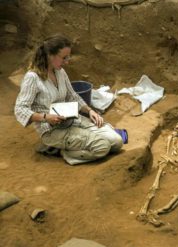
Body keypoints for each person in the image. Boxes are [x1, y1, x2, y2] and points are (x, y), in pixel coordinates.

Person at [14, 34, 123, 165]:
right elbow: (20, 109)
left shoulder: (60, 72)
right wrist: (46, 117)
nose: (67, 61)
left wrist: (90, 111)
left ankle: (72, 144)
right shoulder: (32, 78)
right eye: (64, 58)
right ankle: (65, 152)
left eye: (68, 57)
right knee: (102, 147)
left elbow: (72, 96)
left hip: (71, 120)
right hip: (51, 130)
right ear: (50, 55)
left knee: (117, 142)